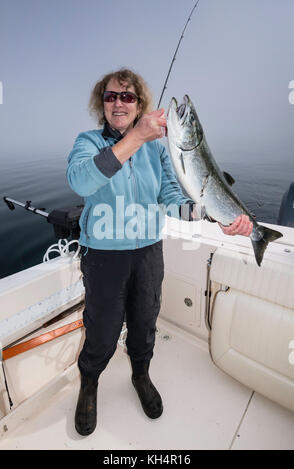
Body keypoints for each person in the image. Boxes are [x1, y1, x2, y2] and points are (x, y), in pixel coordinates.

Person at [66, 68, 253, 436]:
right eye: (111, 96)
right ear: (100, 103)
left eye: (128, 96)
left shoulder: (157, 149)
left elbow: (173, 198)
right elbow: (81, 181)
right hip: (104, 255)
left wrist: (215, 216)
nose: (118, 102)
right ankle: (90, 382)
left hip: (148, 251)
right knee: (102, 330)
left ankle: (140, 375)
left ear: (139, 105)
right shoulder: (88, 141)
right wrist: (134, 138)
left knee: (144, 321)